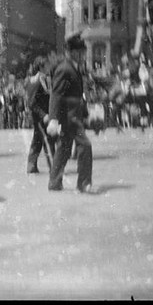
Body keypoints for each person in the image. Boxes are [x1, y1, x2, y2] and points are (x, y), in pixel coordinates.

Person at [46, 33, 93, 193]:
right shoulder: (65, 68)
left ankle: (54, 182)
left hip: (74, 114)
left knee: (64, 148)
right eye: (81, 52)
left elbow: (78, 94)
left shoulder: (73, 67)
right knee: (85, 145)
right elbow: (56, 94)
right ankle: (84, 183)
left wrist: (85, 113)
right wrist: (53, 119)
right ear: (72, 52)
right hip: (69, 116)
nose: (83, 55)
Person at [26, 55, 56, 174]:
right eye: (47, 64)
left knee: (38, 140)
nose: (49, 66)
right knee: (47, 140)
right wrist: (43, 115)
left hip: (46, 116)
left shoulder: (45, 79)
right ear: (41, 67)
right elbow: (31, 103)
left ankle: (31, 166)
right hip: (39, 118)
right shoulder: (35, 81)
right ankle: (53, 166)